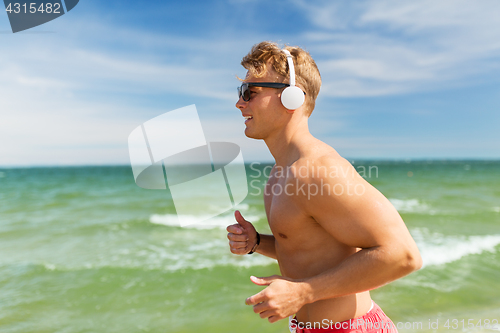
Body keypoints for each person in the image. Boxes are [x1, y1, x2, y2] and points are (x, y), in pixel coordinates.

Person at [226, 41, 422, 333]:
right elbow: (311, 250)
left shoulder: (319, 170)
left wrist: (302, 292)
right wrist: (257, 243)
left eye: (250, 92)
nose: (239, 103)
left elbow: (403, 255)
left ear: (292, 97)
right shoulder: (281, 173)